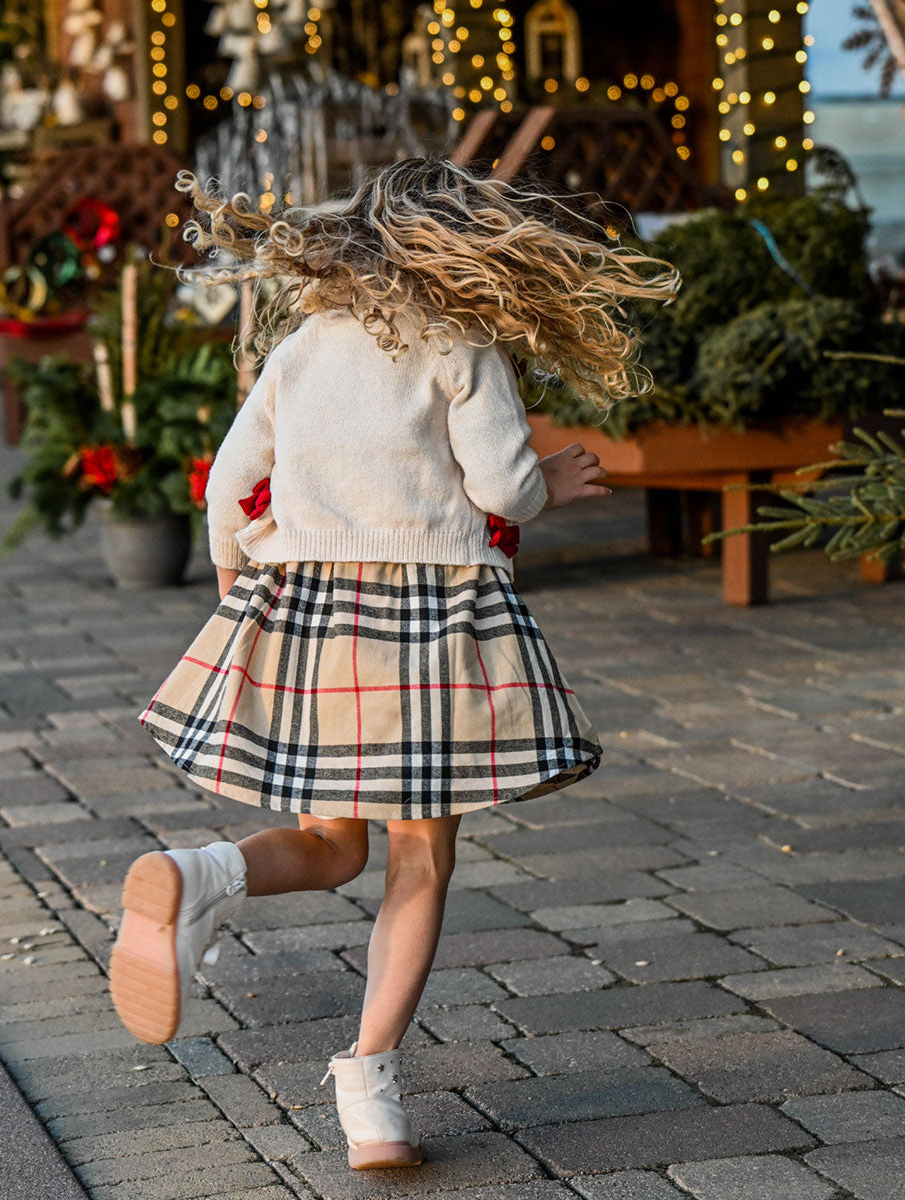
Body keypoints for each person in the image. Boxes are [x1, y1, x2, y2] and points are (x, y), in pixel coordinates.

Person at [109, 157, 679, 1170]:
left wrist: (236, 588)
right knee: (420, 857)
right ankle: (370, 1091)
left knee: (333, 843)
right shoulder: (460, 344)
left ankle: (201, 874)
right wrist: (548, 483)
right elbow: (502, 489)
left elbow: (229, 483)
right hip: (428, 623)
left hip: (309, 612)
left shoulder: (302, 348)